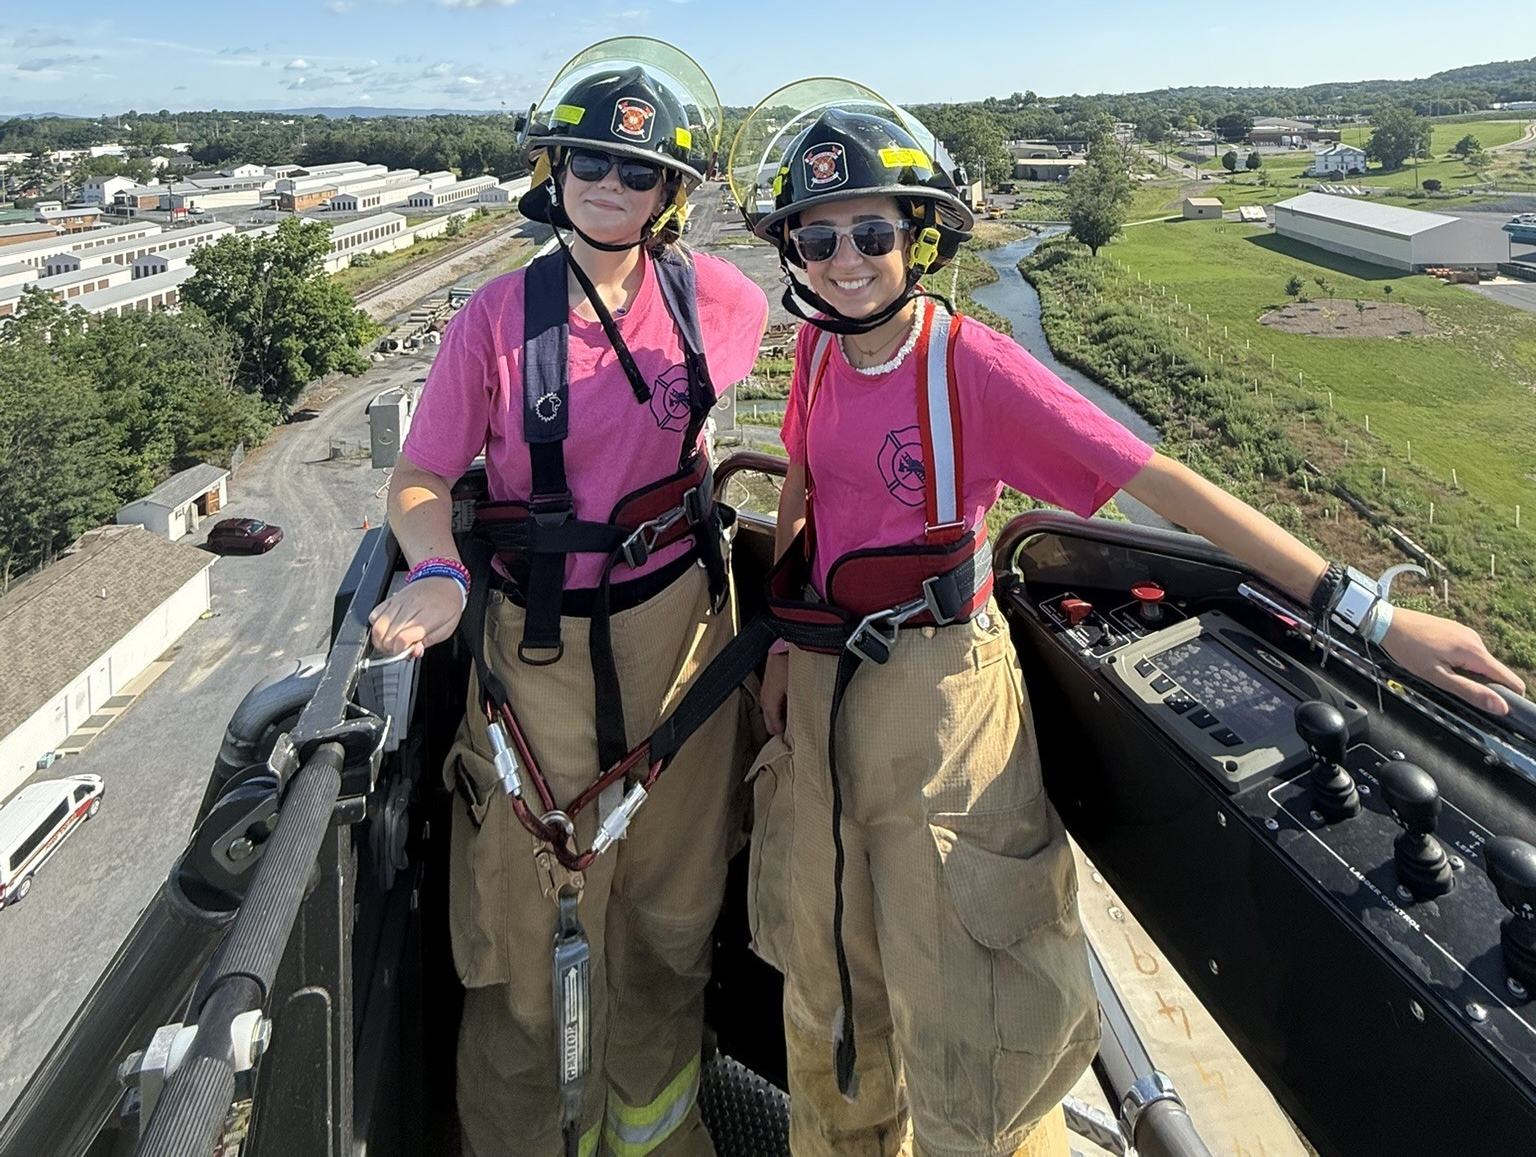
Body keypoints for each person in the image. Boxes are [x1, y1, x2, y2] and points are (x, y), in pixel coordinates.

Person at [732, 91, 1526, 1157]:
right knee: (828, 973)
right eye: (818, 237)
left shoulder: (968, 364)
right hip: (828, 677)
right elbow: (800, 493)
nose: (844, 260)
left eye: (872, 233)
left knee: (973, 995)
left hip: (940, 696)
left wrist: (1366, 613)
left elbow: (1160, 478)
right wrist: (784, 643)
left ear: (918, 236)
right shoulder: (823, 351)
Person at [368, 40, 768, 1157]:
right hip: (537, 654)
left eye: (637, 172)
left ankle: (658, 1135)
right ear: (553, 171)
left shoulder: (721, 301)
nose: (609, 183)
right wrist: (441, 568)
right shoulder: (495, 317)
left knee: (675, 922)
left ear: (671, 191)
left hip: (684, 635)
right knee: (525, 947)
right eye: (586, 161)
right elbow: (420, 476)